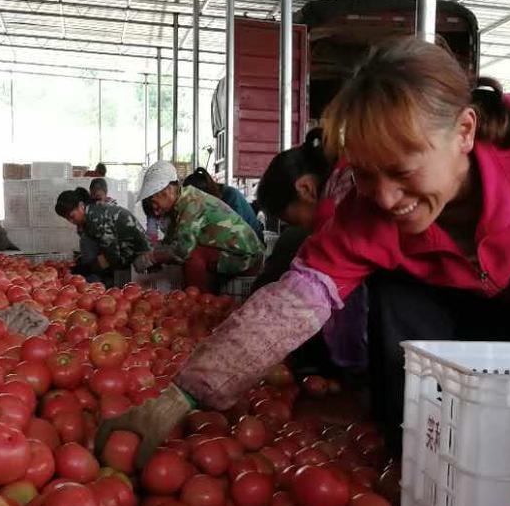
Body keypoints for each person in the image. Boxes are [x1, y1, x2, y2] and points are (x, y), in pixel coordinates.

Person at [99, 37, 510, 465]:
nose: (384, 197)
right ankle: (422, 457)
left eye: (402, 170)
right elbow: (294, 302)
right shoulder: (362, 208)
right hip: (487, 304)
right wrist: (185, 395)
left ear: (465, 130)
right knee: (392, 289)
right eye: (365, 174)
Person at [255, 130, 367, 375]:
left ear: (305, 189)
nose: (303, 227)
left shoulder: (338, 199)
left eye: (296, 219)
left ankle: (348, 367)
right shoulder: (345, 171)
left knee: (294, 243)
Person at [134, 161, 264, 292]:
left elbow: (182, 250)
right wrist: (155, 254)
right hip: (231, 254)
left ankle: (197, 302)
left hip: (247, 258)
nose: (156, 211)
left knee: (192, 255)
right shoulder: (182, 204)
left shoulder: (192, 203)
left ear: (168, 191)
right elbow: (171, 242)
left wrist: (152, 258)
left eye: (155, 203)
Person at [56, 186, 150, 285]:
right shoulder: (90, 214)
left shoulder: (95, 218)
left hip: (141, 254)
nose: (71, 221)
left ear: (81, 206)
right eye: (67, 219)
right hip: (124, 250)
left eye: (72, 216)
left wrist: (87, 269)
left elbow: (112, 256)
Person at [184, 167, 264, 241]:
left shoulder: (230, 196)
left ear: (203, 195)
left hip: (252, 241)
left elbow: (234, 232)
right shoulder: (211, 200)